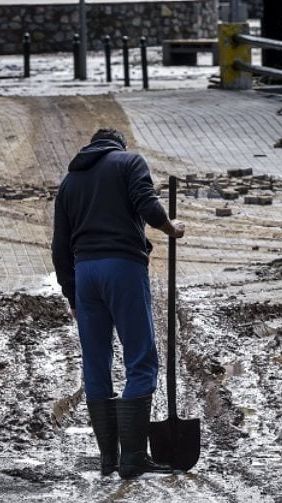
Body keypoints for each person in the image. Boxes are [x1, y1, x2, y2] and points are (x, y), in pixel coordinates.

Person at [51, 128, 185, 479]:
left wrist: (71, 294)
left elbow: (59, 247)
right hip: (122, 268)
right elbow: (147, 204)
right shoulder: (129, 162)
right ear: (118, 144)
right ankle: (134, 458)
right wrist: (171, 227)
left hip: (85, 276)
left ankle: (108, 459)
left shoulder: (69, 182)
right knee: (141, 358)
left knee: (96, 363)